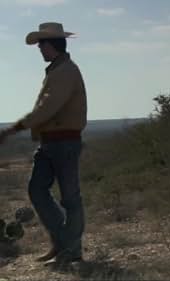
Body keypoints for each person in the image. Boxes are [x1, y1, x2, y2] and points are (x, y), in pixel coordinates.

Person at [0, 22, 87, 265]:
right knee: (37, 190)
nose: (40, 49)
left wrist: (14, 128)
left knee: (70, 198)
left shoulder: (66, 71)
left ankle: (71, 250)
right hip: (50, 142)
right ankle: (63, 243)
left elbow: (46, 108)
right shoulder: (57, 70)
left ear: (53, 45)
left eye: (42, 45)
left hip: (65, 142)